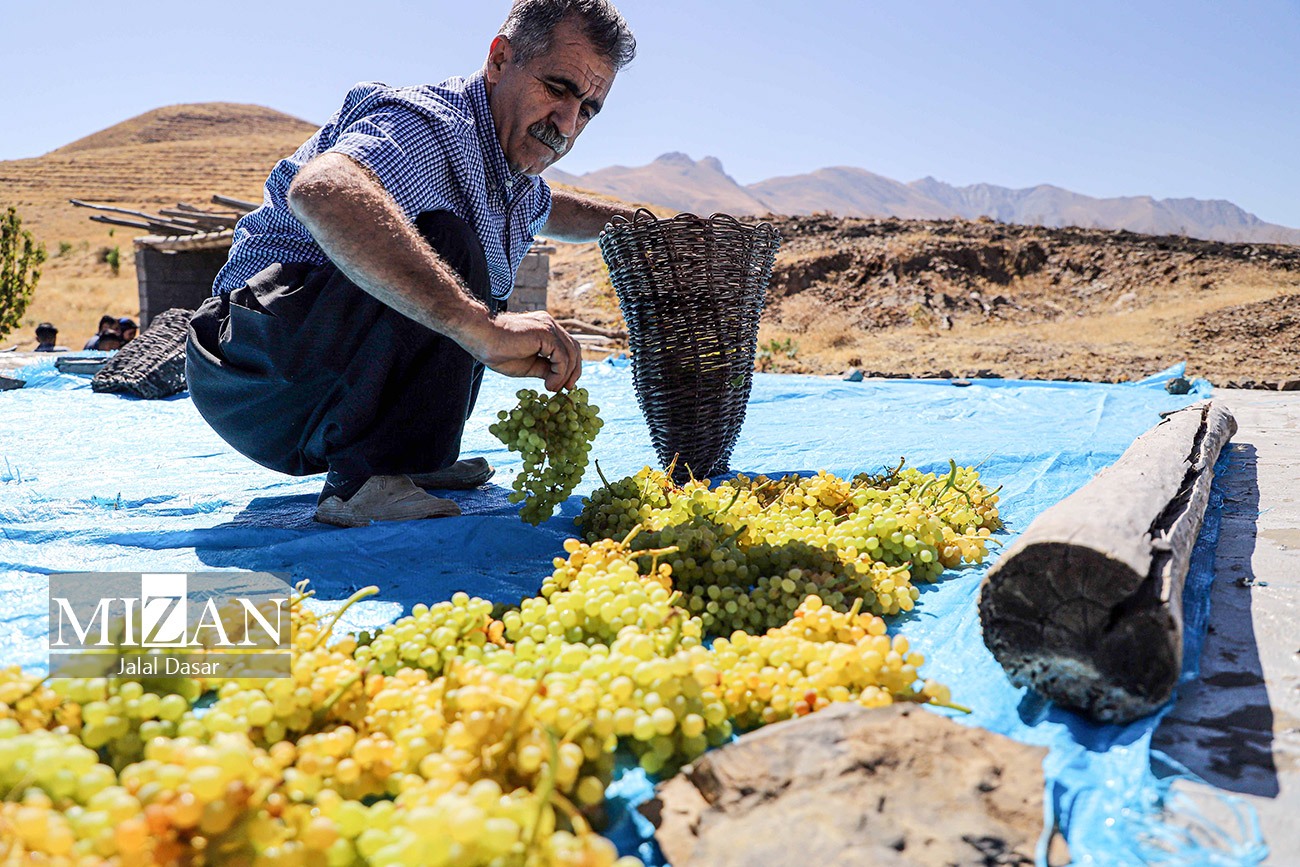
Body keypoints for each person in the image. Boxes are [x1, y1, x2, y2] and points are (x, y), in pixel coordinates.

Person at [187, 0, 638, 528]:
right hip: (256, 368)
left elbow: (554, 207)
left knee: (473, 270)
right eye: (557, 88)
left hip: (306, 377)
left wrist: (647, 224)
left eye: (586, 109)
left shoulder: (510, 177)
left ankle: (410, 462)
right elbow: (321, 190)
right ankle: (365, 479)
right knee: (446, 244)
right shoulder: (428, 125)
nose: (567, 121)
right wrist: (484, 328)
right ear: (498, 61)